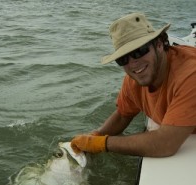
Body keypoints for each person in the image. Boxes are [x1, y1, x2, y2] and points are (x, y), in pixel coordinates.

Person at [71, 12, 196, 157]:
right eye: (123, 59)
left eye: (139, 51)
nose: (133, 63)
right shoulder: (133, 79)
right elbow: (122, 115)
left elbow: (165, 144)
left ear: (159, 44)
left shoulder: (190, 75)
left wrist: (102, 144)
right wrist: (95, 136)